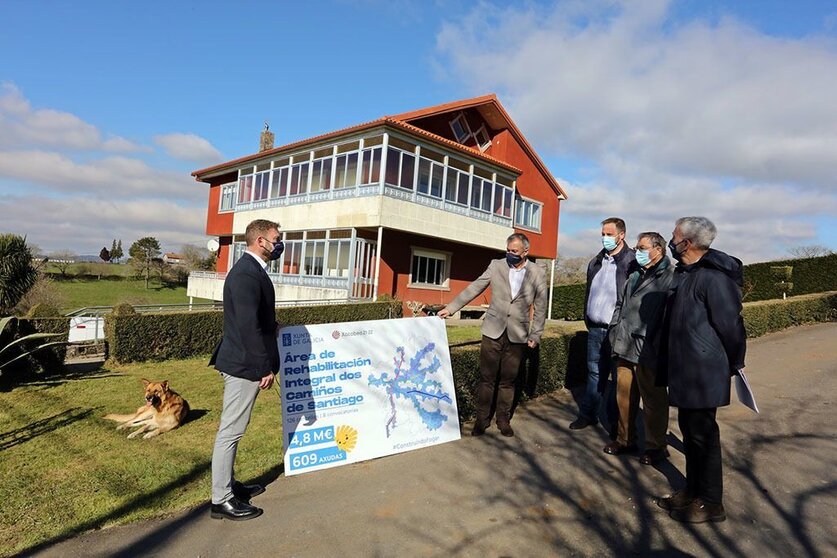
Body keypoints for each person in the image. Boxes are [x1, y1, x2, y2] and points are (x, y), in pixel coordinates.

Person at [657, 217, 746, 524]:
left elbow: (731, 327)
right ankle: (692, 490)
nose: (671, 240)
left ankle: (711, 502)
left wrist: (734, 363)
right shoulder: (684, 274)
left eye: (674, 236)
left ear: (688, 243)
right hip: (685, 370)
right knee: (691, 433)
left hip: (703, 372)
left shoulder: (714, 278)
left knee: (704, 437)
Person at [208, 219, 284, 521]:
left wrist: (274, 328)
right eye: (276, 238)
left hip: (245, 360)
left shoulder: (252, 271)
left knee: (234, 430)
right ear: (260, 241)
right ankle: (221, 499)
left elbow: (256, 318)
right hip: (243, 365)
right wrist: (262, 367)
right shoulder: (246, 274)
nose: (279, 244)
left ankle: (229, 485)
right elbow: (246, 326)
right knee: (231, 432)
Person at [438, 233, 548, 437]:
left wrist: (536, 333)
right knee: (487, 379)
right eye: (507, 250)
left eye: (514, 251)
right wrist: (451, 307)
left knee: (508, 380)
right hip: (492, 330)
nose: (510, 254)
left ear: (526, 251)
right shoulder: (496, 265)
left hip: (518, 334)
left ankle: (503, 419)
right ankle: (482, 419)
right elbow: (475, 287)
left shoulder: (537, 272)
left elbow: (541, 306)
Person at [604, 232, 673, 464]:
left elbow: (670, 316)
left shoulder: (670, 277)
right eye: (637, 247)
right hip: (624, 345)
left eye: (642, 247)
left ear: (658, 250)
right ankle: (625, 439)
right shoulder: (634, 275)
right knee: (623, 397)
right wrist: (615, 328)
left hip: (648, 351)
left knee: (653, 402)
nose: (638, 251)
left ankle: (656, 446)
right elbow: (620, 304)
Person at [570, 217, 636, 432]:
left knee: (619, 379)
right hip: (596, 329)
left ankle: (615, 423)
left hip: (619, 331)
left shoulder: (632, 262)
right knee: (594, 374)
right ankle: (587, 414)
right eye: (603, 234)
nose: (605, 238)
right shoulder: (596, 262)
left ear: (621, 235)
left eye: (609, 234)